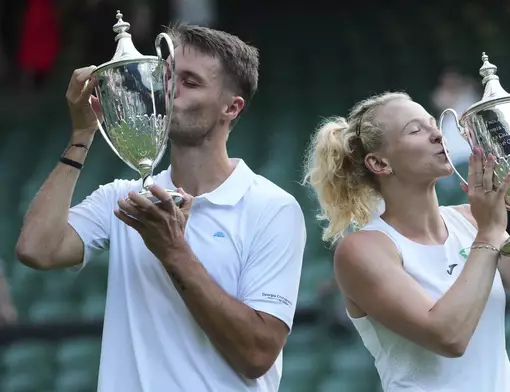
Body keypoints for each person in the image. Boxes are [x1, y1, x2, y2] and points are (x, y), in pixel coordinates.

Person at [16, 24, 306, 392]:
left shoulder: (273, 208)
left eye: (190, 82)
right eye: (167, 76)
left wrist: (172, 250)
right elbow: (36, 248)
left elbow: (256, 355)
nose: (170, 90)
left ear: (231, 108)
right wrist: (82, 134)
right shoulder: (124, 195)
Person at [303, 91, 510, 391]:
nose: (437, 134)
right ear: (379, 163)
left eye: (432, 124)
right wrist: (489, 235)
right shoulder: (362, 249)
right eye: (415, 130)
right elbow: (448, 337)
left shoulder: (471, 221)